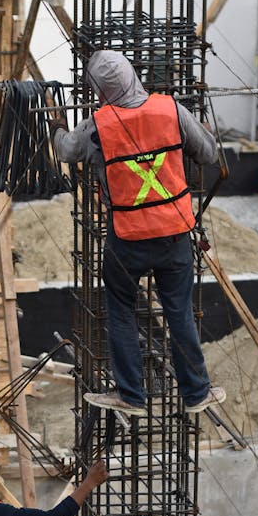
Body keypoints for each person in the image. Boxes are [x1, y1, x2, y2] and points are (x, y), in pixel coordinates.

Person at [49, 49, 225, 417]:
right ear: (133, 76)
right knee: (179, 312)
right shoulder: (171, 110)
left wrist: (57, 124)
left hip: (126, 239)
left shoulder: (99, 125)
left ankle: (131, 395)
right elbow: (209, 154)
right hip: (175, 234)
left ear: (99, 92)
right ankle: (196, 393)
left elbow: (66, 150)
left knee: (121, 311)